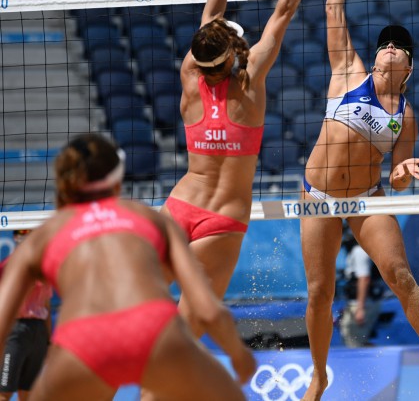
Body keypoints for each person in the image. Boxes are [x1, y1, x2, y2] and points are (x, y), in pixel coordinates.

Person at [161, 0, 345, 336]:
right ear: (233, 54)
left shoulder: (191, 71)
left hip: (179, 205)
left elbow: (209, 20)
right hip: (221, 219)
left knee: (136, 307)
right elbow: (284, 9)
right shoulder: (249, 79)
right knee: (186, 335)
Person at [299, 0, 419, 400]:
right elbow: (333, 8)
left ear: (408, 69)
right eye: (384, 44)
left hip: (367, 197)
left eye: (399, 47)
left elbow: (398, 182)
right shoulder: (349, 71)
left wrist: (401, 172)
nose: (389, 47)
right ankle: (318, 374)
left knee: (399, 274)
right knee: (319, 292)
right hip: (317, 195)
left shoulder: (404, 115)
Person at [0, 133, 255, 400]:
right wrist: (239, 355)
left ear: (64, 185)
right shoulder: (149, 218)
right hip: (158, 336)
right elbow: (209, 311)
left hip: (83, 343)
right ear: (117, 183)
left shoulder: (42, 236)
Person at [0, 230, 53, 401]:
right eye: (23, 233)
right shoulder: (8, 266)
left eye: (29, 233)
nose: (27, 237)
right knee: (5, 391)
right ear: (15, 237)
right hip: (15, 330)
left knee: (29, 393)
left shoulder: (43, 269)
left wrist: (50, 341)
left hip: (38, 332)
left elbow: (47, 305)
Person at [339, 229, 384, 348]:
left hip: (364, 303)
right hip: (361, 302)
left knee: (354, 341)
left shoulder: (359, 251)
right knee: (358, 340)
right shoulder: (359, 250)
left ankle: (363, 365)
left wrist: (360, 308)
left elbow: (364, 279)